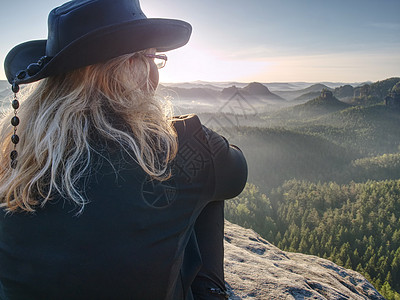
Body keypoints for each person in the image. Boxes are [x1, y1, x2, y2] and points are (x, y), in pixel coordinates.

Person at [0, 0, 247, 299]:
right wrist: (189, 137)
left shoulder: (13, 153)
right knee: (208, 184)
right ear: (134, 64)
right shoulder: (179, 145)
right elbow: (237, 173)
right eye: (153, 58)